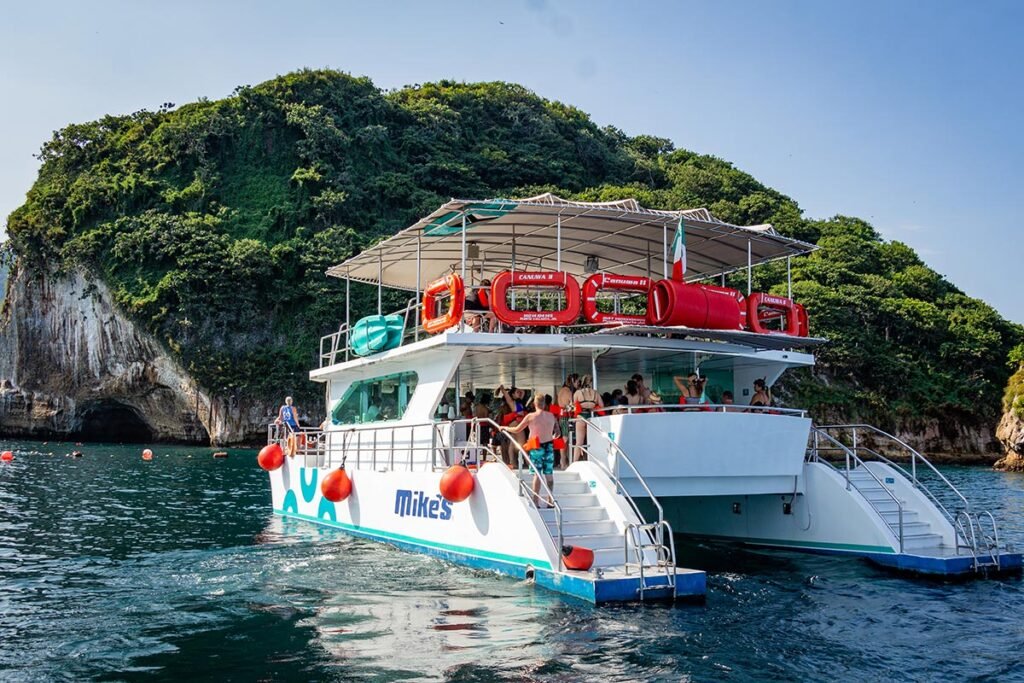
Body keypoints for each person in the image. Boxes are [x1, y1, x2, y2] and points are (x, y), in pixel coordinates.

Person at [505, 394, 560, 507]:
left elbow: (517, 429)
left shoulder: (531, 416)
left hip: (536, 446)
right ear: (544, 404)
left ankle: (536, 501)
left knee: (537, 474)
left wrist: (504, 428)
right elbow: (558, 432)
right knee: (549, 474)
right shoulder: (551, 416)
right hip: (549, 446)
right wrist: (552, 435)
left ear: (534, 403)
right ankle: (550, 500)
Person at [571, 375, 603, 461]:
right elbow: (602, 406)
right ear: (591, 382)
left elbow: (574, 406)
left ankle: (574, 463)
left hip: (581, 417)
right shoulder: (595, 393)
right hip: (591, 417)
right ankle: (592, 461)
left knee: (579, 442)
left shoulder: (578, 393)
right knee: (592, 442)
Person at [556, 374, 578, 468]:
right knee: (565, 439)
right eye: (577, 381)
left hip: (561, 417)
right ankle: (563, 462)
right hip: (565, 417)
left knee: (563, 439)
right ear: (573, 381)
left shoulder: (561, 390)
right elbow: (572, 406)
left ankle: (563, 461)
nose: (578, 383)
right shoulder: (568, 391)